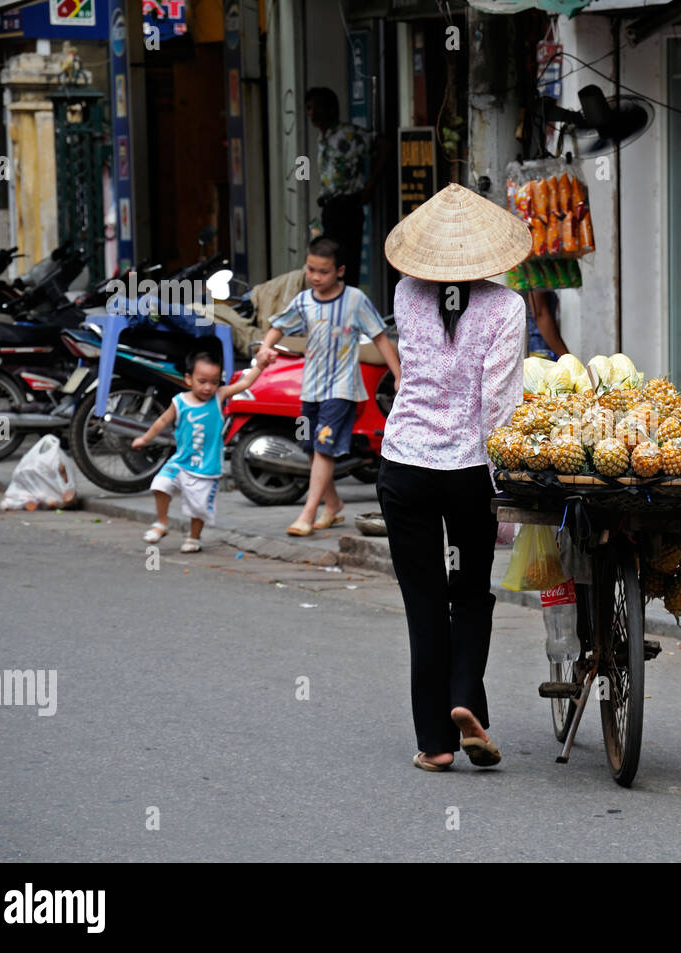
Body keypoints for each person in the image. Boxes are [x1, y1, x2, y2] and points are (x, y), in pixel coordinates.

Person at [377, 183, 531, 772]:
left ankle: (437, 744)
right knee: (468, 592)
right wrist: (506, 473)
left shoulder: (406, 293)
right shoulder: (507, 306)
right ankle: (465, 699)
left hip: (406, 467)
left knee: (424, 604)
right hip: (467, 474)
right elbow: (499, 403)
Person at [256, 236, 402, 537]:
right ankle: (332, 505)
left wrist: (398, 374)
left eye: (323, 271)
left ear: (340, 271)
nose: (316, 277)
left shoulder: (354, 300)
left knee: (323, 448)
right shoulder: (303, 301)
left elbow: (379, 336)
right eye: (311, 270)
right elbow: (279, 325)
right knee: (312, 448)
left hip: (342, 388)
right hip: (311, 388)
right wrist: (264, 348)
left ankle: (308, 513)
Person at [133, 349, 268, 553]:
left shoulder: (219, 397)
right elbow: (162, 420)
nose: (208, 387)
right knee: (160, 485)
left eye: (214, 382)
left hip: (207, 467)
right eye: (202, 381)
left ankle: (194, 538)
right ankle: (162, 522)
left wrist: (260, 365)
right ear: (189, 379)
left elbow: (245, 384)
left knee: (198, 508)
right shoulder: (179, 402)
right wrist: (145, 438)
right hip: (181, 462)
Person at [305, 87, 387, 288]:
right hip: (330, 208)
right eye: (308, 109)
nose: (312, 114)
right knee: (329, 263)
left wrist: (370, 185)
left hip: (347, 208)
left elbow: (384, 146)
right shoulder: (322, 138)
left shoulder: (347, 134)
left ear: (331, 109)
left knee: (346, 264)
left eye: (317, 108)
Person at [525, 289, 568, 359]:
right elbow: (540, 315)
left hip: (541, 343)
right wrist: (566, 357)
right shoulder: (535, 280)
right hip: (539, 346)